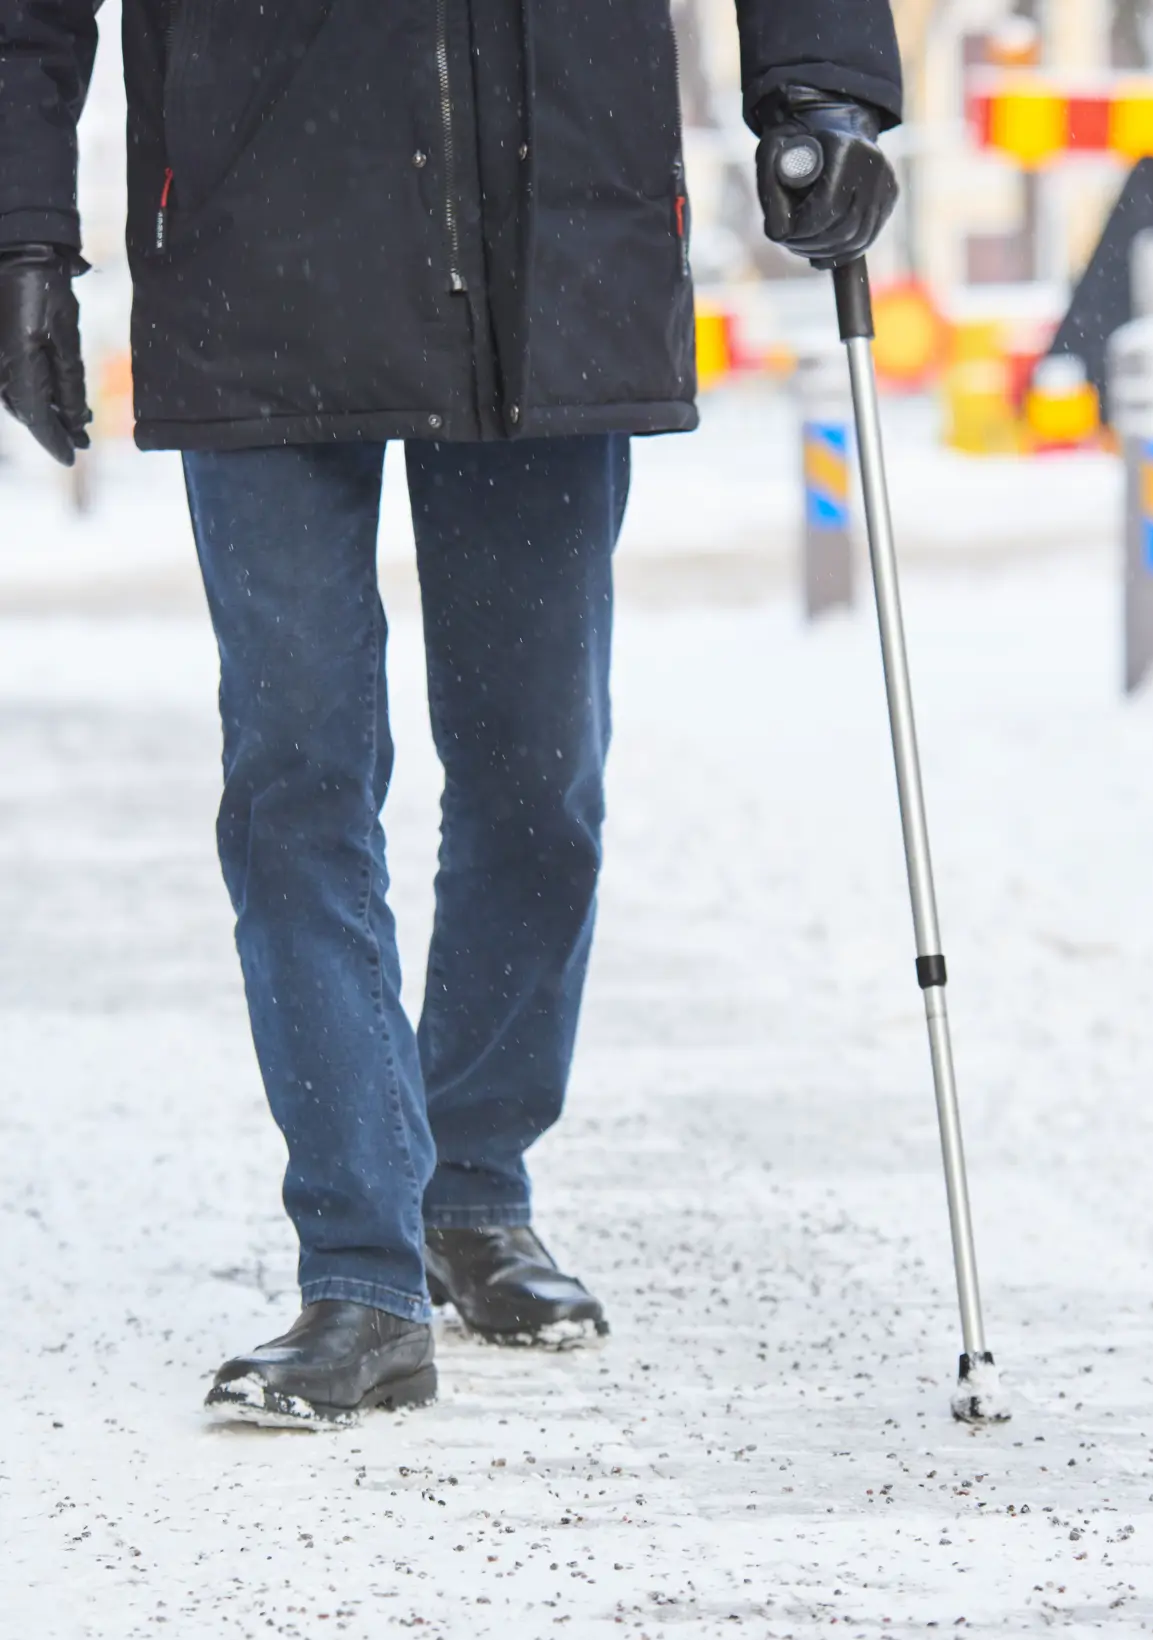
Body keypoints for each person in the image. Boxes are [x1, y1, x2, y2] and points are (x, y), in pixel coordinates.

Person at [0, 0, 900, 1427]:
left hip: (552, 234)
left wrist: (826, 88)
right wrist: (24, 229)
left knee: (538, 779)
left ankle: (472, 1184)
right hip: (252, 235)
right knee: (298, 768)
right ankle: (358, 1268)